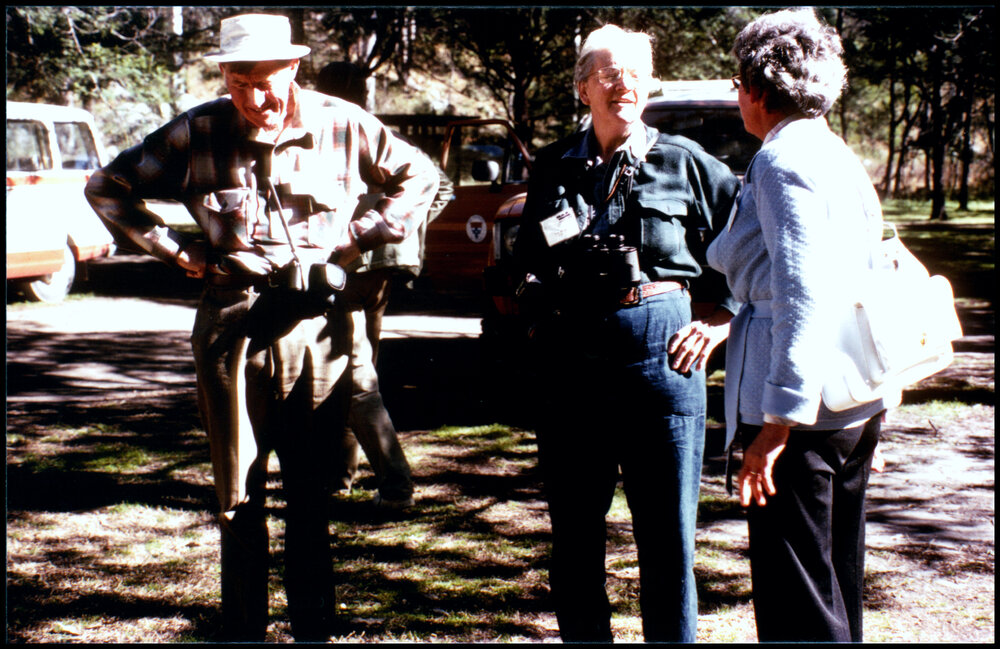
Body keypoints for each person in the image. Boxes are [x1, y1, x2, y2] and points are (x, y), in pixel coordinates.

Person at [85, 13, 439, 641]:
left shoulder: (345, 123)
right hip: (232, 324)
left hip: (318, 327)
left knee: (311, 492)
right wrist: (176, 252)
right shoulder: (197, 129)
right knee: (236, 494)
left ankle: (314, 628)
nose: (253, 98)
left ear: (294, 68)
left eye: (266, 81)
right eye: (238, 81)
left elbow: (421, 177)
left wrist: (361, 240)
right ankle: (243, 627)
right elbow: (107, 187)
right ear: (223, 76)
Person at [512, 24, 740, 643]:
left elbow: (754, 244)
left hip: (662, 365)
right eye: (610, 73)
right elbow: (528, 255)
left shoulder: (686, 162)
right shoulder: (555, 164)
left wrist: (721, 318)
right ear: (583, 87)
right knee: (575, 540)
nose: (625, 84)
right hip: (571, 369)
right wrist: (536, 316)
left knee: (667, 540)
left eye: (636, 72)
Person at [705, 8, 888, 642]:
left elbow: (800, 292)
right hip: (850, 393)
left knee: (799, 602)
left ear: (756, 88)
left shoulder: (783, 160)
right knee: (833, 580)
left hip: (800, 409)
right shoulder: (833, 150)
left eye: (736, 83)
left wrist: (776, 425)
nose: (737, 96)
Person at [316, 61, 453, 509]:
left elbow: (437, 186)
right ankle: (339, 474)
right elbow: (441, 187)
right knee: (354, 366)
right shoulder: (380, 134)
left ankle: (394, 483)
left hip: (345, 267)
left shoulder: (336, 135)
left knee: (354, 373)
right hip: (381, 267)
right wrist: (404, 231)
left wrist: (382, 233)